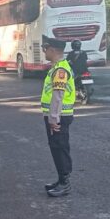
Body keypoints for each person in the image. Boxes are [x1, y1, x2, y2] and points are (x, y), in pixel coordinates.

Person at [40, 36, 76, 197]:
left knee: (60, 148)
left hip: (59, 116)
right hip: (58, 115)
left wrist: (53, 119)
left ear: (52, 50)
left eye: (45, 49)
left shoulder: (60, 70)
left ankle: (64, 183)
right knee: (56, 147)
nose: (44, 52)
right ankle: (61, 179)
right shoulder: (58, 67)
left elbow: (58, 95)